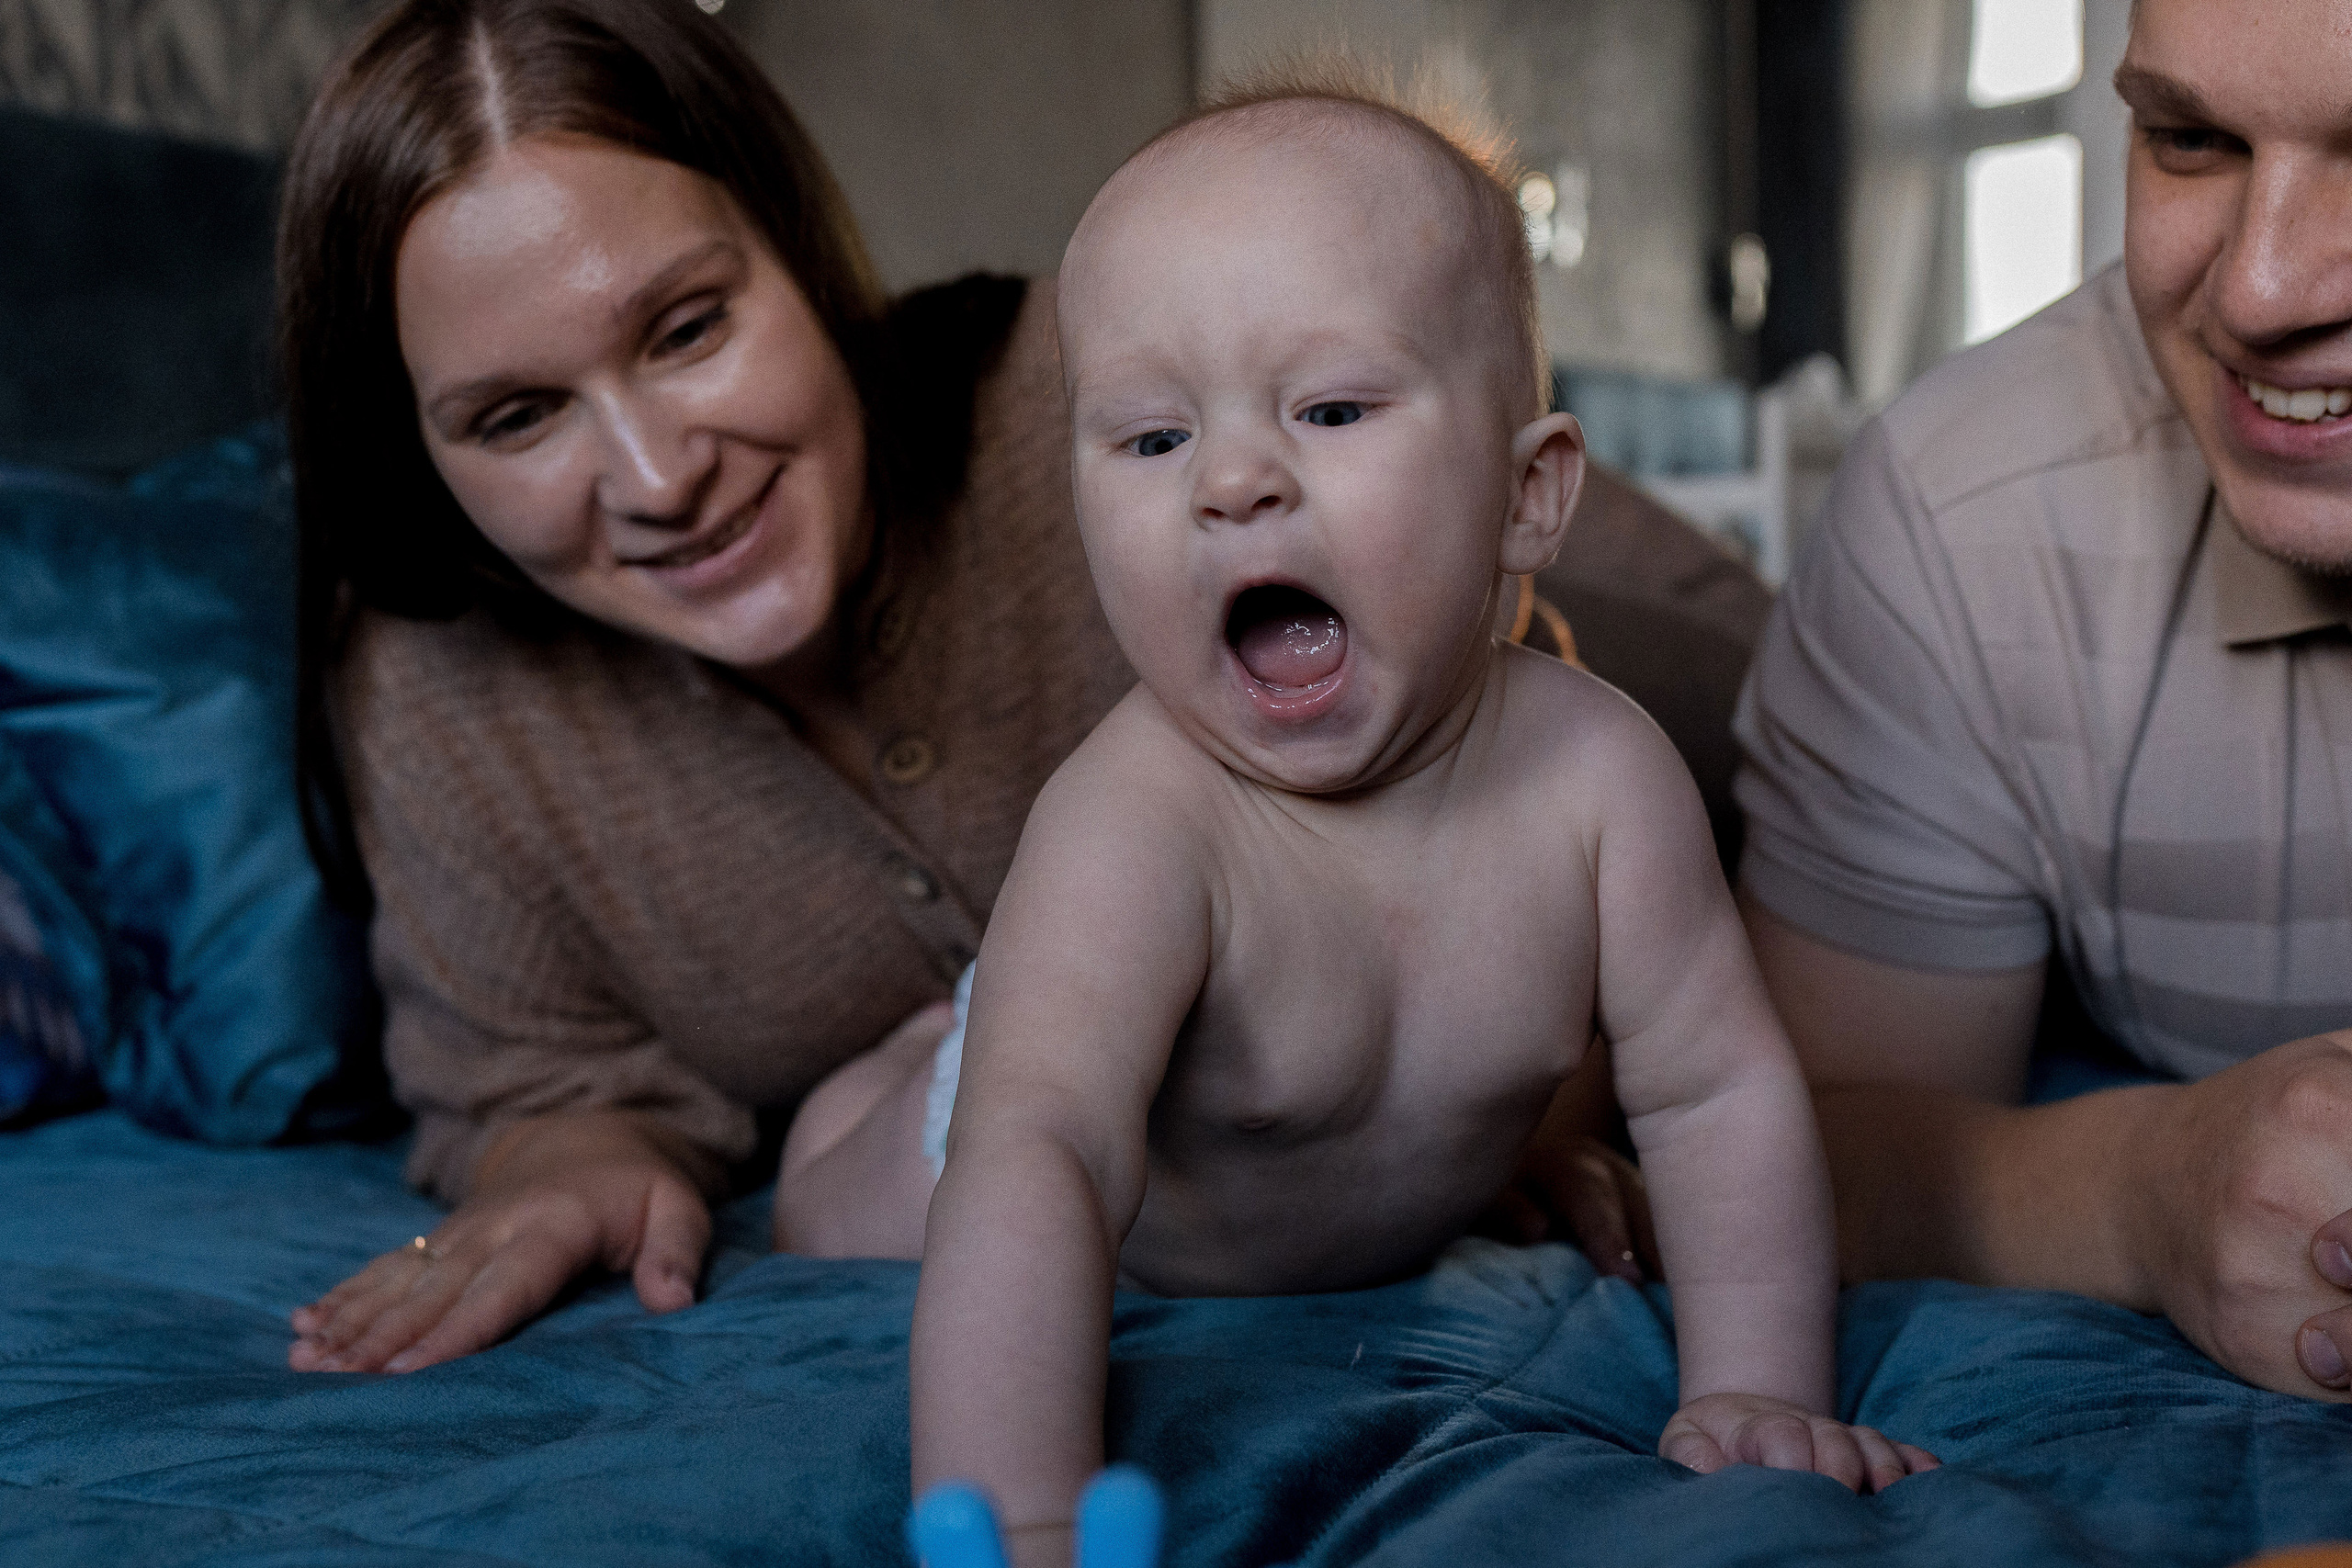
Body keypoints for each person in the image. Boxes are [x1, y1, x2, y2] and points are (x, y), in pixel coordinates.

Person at [274, 0, 1768, 1375]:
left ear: (800, 255)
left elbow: (1594, 721)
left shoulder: (1145, 403)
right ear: (417, 450)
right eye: (517, 416)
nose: (661, 478)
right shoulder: (440, 691)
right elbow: (538, 1080)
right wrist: (574, 1165)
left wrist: (1517, 1109)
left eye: (689, 328)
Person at [823, 77, 1934, 1559]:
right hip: (999, 1129)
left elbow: (1714, 1094)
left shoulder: (1604, 779)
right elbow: (1042, 1155)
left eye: (1332, 408)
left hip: (1360, 1189)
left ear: (1529, 497)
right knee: (858, 1184)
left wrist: (1754, 1391)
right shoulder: (1136, 821)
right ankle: (905, 1060)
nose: (1231, 481)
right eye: (1150, 440)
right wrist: (1022, 1507)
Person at [1736, 0, 2352, 1403]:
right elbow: (1802, 1141)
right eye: (2188, 139)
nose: (2256, 293)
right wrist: (2144, 1190)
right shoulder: (1963, 512)